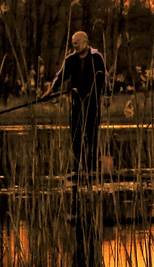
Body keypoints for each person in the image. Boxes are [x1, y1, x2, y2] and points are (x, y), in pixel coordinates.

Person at [42, 31, 108, 181]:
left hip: (93, 101)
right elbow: (60, 76)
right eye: (73, 43)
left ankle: (91, 167)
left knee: (91, 134)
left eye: (76, 43)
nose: (74, 46)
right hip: (76, 101)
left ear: (85, 41)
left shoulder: (96, 57)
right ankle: (77, 166)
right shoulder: (71, 60)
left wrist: (107, 96)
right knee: (76, 134)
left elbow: (104, 76)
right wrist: (50, 91)